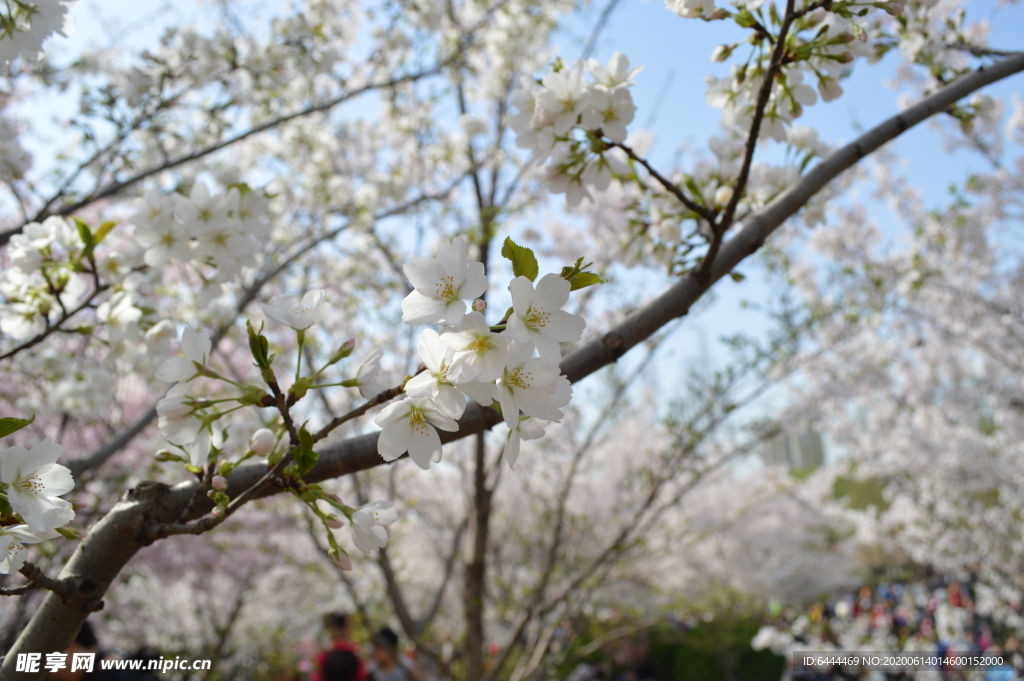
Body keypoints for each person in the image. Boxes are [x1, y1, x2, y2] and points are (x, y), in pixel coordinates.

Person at [313, 613, 367, 681]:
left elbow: (317, 672)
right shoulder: (354, 649)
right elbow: (362, 673)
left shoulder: (327, 649)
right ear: (346, 628)